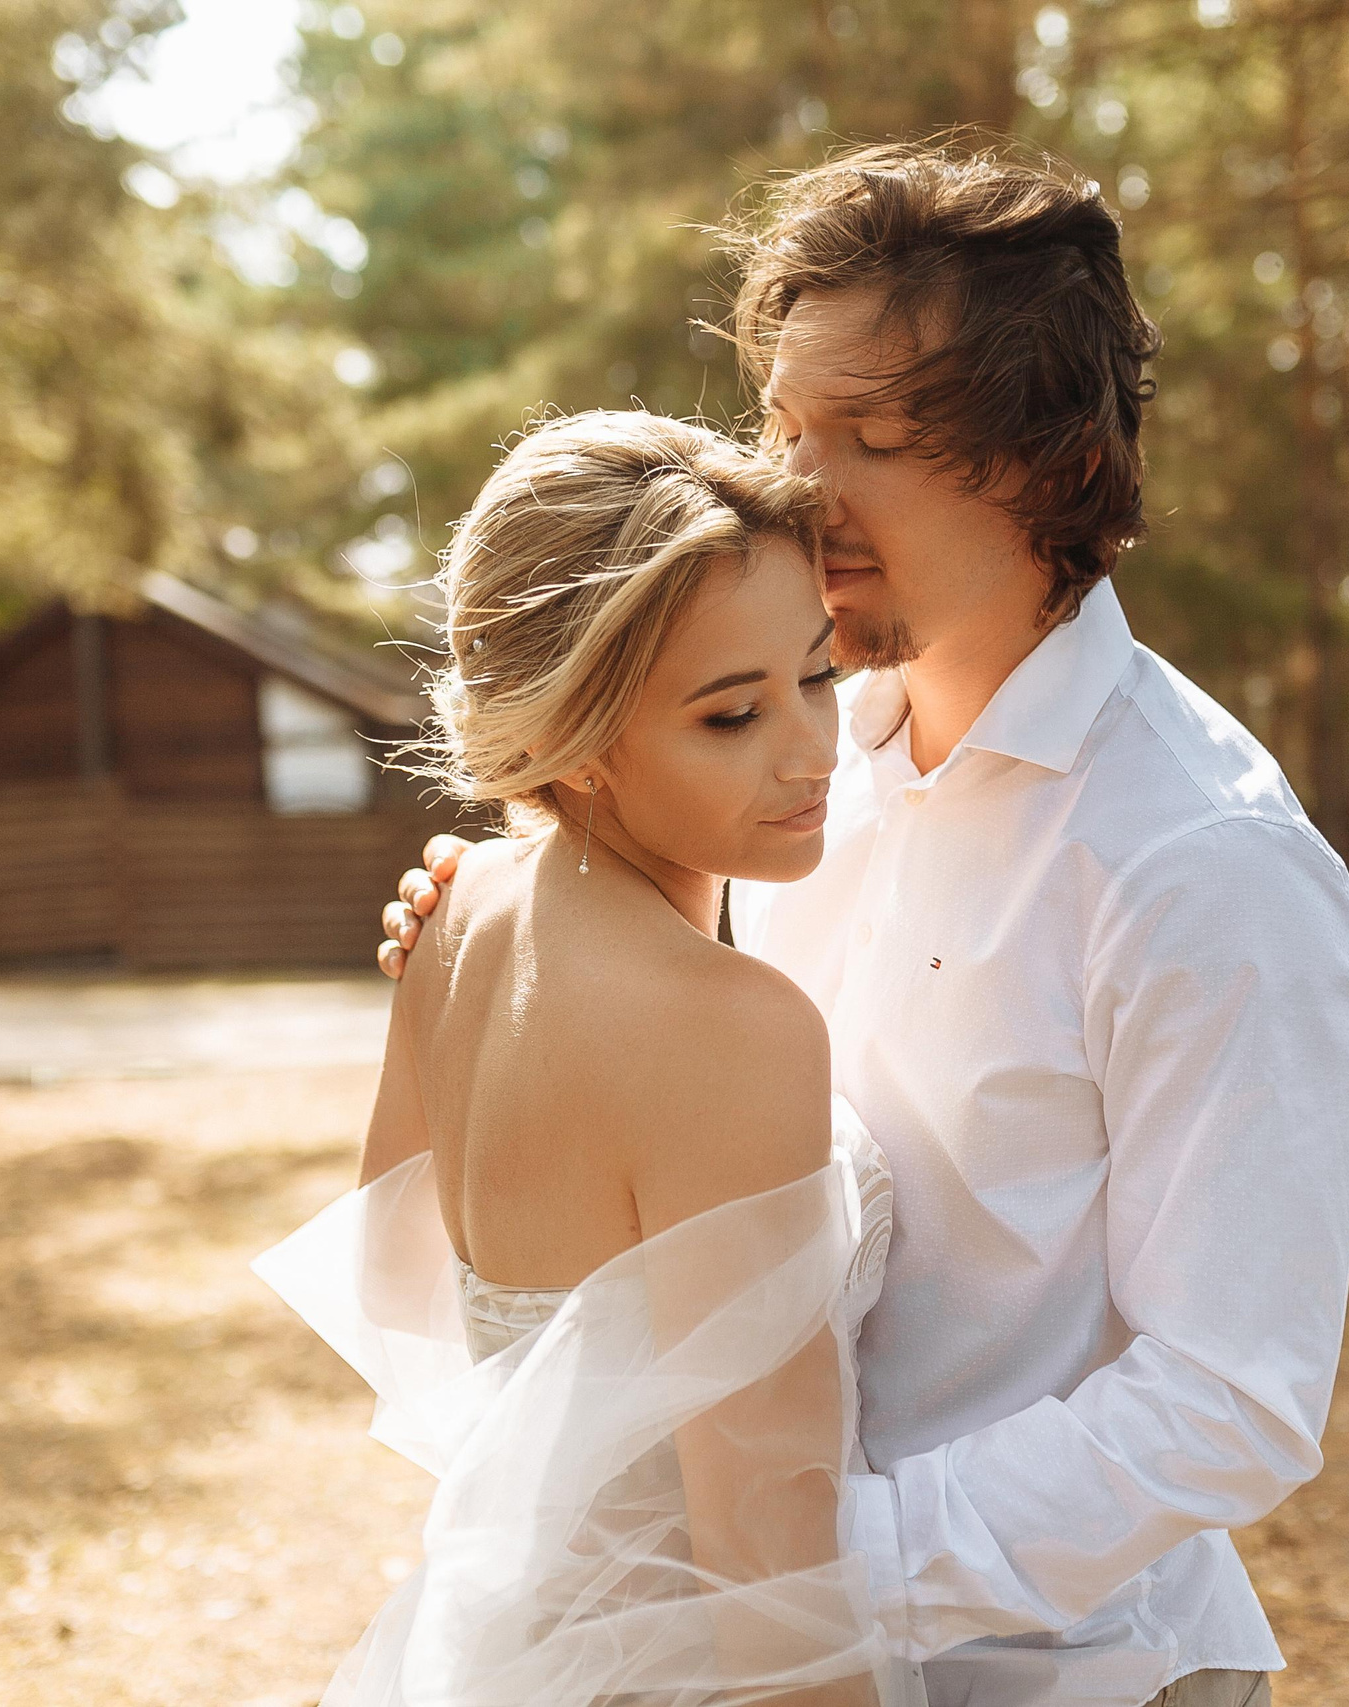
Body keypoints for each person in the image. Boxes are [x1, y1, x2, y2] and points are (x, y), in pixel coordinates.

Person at [384, 141, 1349, 1707]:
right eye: (788, 427)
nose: (799, 486)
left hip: (1068, 1675)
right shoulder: (790, 760)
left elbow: (1231, 1398)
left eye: (866, 435)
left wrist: (810, 1564)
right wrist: (498, 941)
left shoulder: (1205, 864)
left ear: (1048, 459)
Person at [255, 410, 920, 1707]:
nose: (811, 749)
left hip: (506, 1649)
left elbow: (401, 1295)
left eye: (819, 675)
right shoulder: (731, 1026)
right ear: (579, 732)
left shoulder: (453, 912)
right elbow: (766, 1567)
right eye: (732, 715)